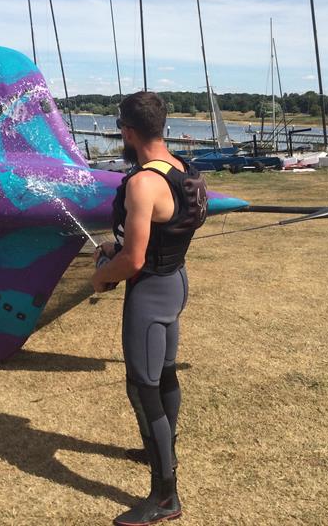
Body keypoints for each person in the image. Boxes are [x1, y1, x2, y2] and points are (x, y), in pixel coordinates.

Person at [91, 91, 208, 526]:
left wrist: (101, 274)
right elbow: (161, 232)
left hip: (150, 292)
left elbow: (134, 261)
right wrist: (113, 245)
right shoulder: (182, 168)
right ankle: (159, 449)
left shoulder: (143, 182)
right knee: (165, 373)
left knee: (143, 386)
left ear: (127, 131)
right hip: (175, 282)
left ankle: (165, 497)